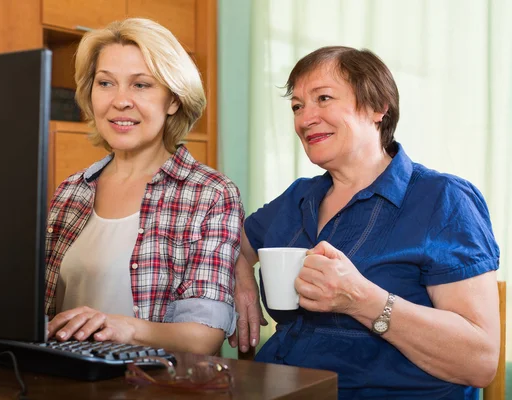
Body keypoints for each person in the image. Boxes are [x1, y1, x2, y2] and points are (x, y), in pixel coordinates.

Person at [230, 46, 500, 399]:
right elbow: (229, 240)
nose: (304, 118)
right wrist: (241, 277)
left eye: (322, 98)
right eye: (297, 106)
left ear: (378, 108)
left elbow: (479, 362)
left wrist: (361, 298)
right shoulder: (298, 198)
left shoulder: (442, 199)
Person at [44, 18, 244, 356]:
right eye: (105, 83)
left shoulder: (210, 194)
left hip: (151, 386)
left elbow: (203, 338)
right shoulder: (69, 192)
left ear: (173, 100)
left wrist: (120, 327)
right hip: (60, 381)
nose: (120, 101)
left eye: (141, 85)